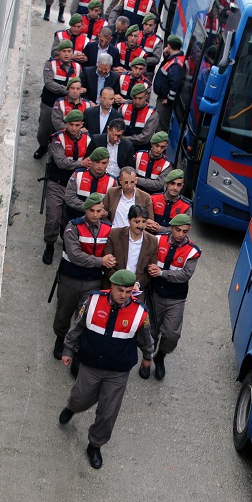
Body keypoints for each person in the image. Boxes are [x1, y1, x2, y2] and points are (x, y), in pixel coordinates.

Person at [58, 269, 154, 470]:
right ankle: (72, 408)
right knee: (80, 397)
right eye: (120, 290)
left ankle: (95, 445)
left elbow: (145, 339)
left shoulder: (140, 312)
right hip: (90, 365)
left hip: (117, 372)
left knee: (108, 412)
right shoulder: (93, 301)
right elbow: (77, 327)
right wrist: (68, 349)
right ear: (111, 286)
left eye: (128, 292)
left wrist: (147, 357)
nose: (124, 296)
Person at [52, 192, 115, 360]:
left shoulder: (108, 230)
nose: (95, 215)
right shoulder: (73, 227)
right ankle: (60, 338)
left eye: (99, 210)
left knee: (84, 317)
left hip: (92, 281)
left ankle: (74, 350)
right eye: (92, 211)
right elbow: (75, 256)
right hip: (70, 279)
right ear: (86, 210)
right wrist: (100, 261)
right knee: (64, 312)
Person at [145, 214, 201, 380]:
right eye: (177, 230)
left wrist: (161, 273)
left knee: (172, 334)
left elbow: (185, 275)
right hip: (154, 293)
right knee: (151, 330)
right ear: (171, 228)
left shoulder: (193, 251)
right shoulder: (156, 239)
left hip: (176, 297)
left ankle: (160, 356)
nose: (181, 234)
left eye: (184, 231)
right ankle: (147, 359)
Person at [42, 109, 91, 265]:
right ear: (66, 124)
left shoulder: (88, 140)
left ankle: (66, 240)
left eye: (77, 125)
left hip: (76, 186)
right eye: (71, 124)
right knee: (52, 217)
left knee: (69, 217)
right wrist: (80, 164)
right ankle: (49, 244)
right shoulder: (58, 139)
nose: (74, 128)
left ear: (82, 125)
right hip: (57, 184)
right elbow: (61, 162)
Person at [35, 40, 82, 160]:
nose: (67, 54)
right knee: (44, 130)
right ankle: (43, 146)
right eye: (64, 51)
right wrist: (68, 91)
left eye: (69, 51)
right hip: (50, 103)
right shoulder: (50, 64)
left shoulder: (77, 67)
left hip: (68, 105)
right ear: (59, 52)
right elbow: (49, 83)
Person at [102, 205, 158, 292]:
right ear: (129, 220)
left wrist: (138, 284)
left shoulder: (153, 241)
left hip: (135, 289)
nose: (140, 225)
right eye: (136, 221)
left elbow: (150, 270)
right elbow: (107, 263)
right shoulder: (114, 234)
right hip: (112, 286)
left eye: (144, 222)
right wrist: (117, 281)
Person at [65, 147, 118, 221]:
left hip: (100, 223)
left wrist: (101, 212)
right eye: (97, 162)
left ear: (108, 163)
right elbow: (69, 197)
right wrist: (89, 208)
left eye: (104, 163)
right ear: (91, 161)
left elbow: (113, 206)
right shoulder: (77, 174)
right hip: (75, 218)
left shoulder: (113, 181)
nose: (100, 166)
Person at [153, 35, 185, 133]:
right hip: (163, 98)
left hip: (164, 102)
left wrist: (169, 100)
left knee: (161, 126)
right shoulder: (176, 58)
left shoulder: (175, 64)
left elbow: (174, 84)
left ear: (169, 46)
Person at [146, 169, 192, 234]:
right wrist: (147, 222)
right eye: (172, 183)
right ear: (167, 183)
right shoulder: (153, 199)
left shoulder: (186, 207)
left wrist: (161, 229)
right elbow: (141, 219)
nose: (175, 188)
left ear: (182, 186)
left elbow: (183, 231)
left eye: (178, 185)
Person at [118, 84, 159, 151]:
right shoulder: (124, 107)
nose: (137, 101)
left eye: (140, 98)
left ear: (146, 96)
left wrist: (123, 138)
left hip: (141, 150)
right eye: (135, 98)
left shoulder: (152, 113)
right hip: (122, 147)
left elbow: (145, 138)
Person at [137, 13, 162, 82]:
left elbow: (156, 59)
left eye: (150, 25)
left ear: (155, 26)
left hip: (147, 73)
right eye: (146, 24)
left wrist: (142, 60)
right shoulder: (136, 35)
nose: (147, 27)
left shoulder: (157, 41)